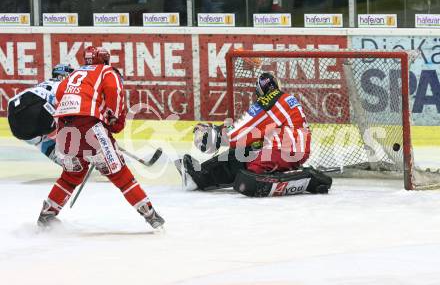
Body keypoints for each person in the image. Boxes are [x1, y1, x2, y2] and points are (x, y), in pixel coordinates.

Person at [37, 46, 165, 229]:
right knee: (121, 176)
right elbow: (115, 95)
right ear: (105, 59)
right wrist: (114, 124)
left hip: (64, 129)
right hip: (91, 129)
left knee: (70, 176)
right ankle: (151, 216)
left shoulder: (74, 74)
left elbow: (58, 97)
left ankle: (46, 216)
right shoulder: (107, 72)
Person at [177, 72, 332, 197]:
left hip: (284, 151)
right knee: (245, 153)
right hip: (288, 150)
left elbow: (244, 128)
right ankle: (199, 178)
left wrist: (217, 135)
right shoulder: (282, 100)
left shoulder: (272, 101)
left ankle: (199, 178)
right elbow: (252, 129)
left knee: (250, 172)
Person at [8, 64, 74, 164]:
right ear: (61, 76)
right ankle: (74, 154)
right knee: (59, 123)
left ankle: (63, 158)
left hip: (15, 121)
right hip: (37, 109)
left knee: (39, 137)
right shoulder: (62, 84)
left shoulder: (42, 85)